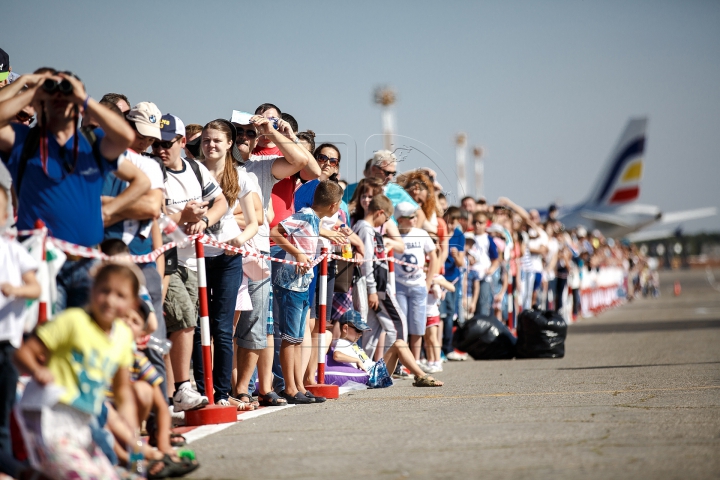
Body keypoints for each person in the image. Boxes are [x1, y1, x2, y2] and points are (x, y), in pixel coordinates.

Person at [0, 69, 150, 312]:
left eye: (66, 98)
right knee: (44, 343)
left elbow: (125, 136)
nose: (60, 103)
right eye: (51, 99)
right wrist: (29, 86)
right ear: (39, 106)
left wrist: (84, 98)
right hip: (39, 264)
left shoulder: (92, 143)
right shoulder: (22, 141)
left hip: (86, 264)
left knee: (82, 341)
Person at [14, 263, 138, 480]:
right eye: (104, 291)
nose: (110, 300)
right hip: (48, 418)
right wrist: (37, 370)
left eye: (120, 295)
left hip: (81, 425)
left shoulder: (123, 336)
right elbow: (23, 353)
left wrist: (131, 424)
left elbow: (122, 389)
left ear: (132, 304)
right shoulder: (73, 320)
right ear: (92, 290)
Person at [156, 113, 228, 412]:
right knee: (181, 319)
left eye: (168, 143)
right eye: (157, 143)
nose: (162, 149)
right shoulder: (152, 172)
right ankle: (179, 388)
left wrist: (205, 220)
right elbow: (151, 219)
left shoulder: (196, 170)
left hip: (192, 261)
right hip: (163, 258)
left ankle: (175, 392)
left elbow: (221, 201)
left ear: (182, 142)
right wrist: (181, 218)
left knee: (183, 326)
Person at [192, 119, 259, 407]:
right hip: (194, 257)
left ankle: (220, 393)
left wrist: (240, 240)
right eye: (206, 140)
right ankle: (197, 390)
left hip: (228, 258)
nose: (211, 145)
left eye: (217, 140)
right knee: (195, 326)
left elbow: (255, 222)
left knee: (221, 327)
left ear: (229, 143)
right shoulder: (191, 172)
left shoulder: (240, 176)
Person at [270, 180, 343, 404]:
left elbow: (313, 227)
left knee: (298, 336)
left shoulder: (312, 219)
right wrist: (298, 253)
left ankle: (299, 384)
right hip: (290, 283)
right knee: (290, 338)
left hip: (302, 283)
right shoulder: (304, 216)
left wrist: (328, 234)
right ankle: (289, 388)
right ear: (333, 206)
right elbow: (275, 232)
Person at [0, 186, 40, 478]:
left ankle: (13, 467)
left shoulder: (11, 249)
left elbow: (35, 287)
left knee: (4, 413)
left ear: (5, 214)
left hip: (7, 345)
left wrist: (16, 290)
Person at [331, 310, 443, 388]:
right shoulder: (342, 342)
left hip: (375, 370)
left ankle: (420, 375)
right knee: (399, 344)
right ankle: (421, 376)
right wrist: (357, 360)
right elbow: (337, 355)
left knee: (401, 344)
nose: (360, 334)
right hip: (373, 376)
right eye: (358, 330)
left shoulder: (351, 343)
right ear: (345, 328)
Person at [394, 202, 439, 361]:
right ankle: (402, 361)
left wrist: (427, 283)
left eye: (415, 216)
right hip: (399, 286)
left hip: (419, 286)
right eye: (410, 217)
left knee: (417, 325)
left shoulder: (421, 234)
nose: (414, 219)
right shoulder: (393, 234)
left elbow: (434, 257)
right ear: (400, 219)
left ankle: (416, 361)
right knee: (402, 325)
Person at [441, 206, 467, 360]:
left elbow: (461, 263)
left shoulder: (459, 236)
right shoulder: (441, 233)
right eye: (449, 222)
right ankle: (438, 350)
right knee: (440, 314)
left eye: (454, 223)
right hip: (440, 277)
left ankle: (448, 347)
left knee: (450, 313)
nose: (450, 226)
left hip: (453, 279)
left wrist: (456, 256)